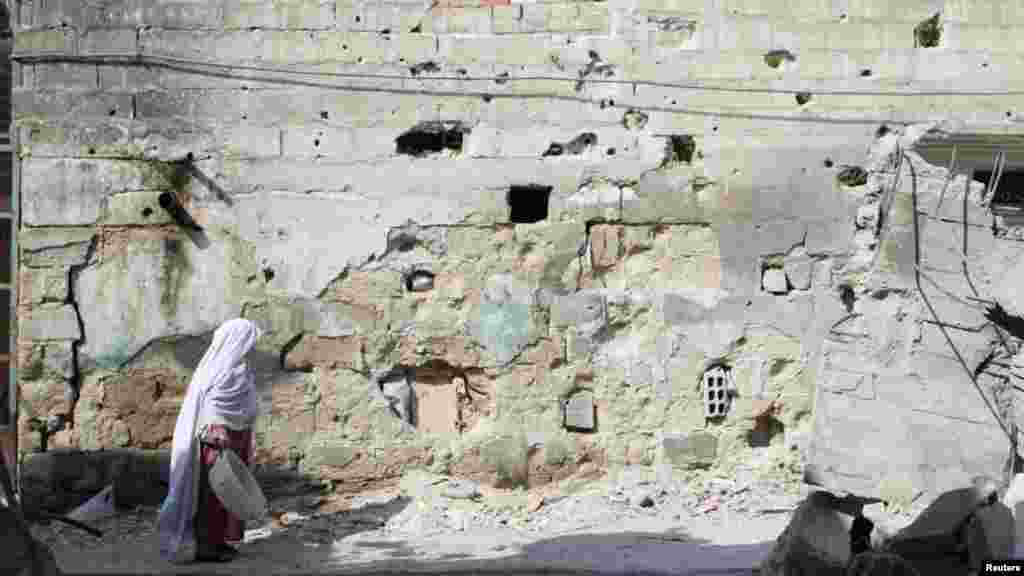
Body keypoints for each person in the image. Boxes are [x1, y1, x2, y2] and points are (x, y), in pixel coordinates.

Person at [157, 318, 262, 563]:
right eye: (249, 341)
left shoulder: (239, 368)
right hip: (217, 440)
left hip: (237, 436)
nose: (253, 347)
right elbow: (212, 405)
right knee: (213, 494)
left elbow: (244, 404)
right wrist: (219, 432)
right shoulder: (219, 371)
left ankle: (220, 541)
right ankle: (206, 545)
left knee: (230, 492)